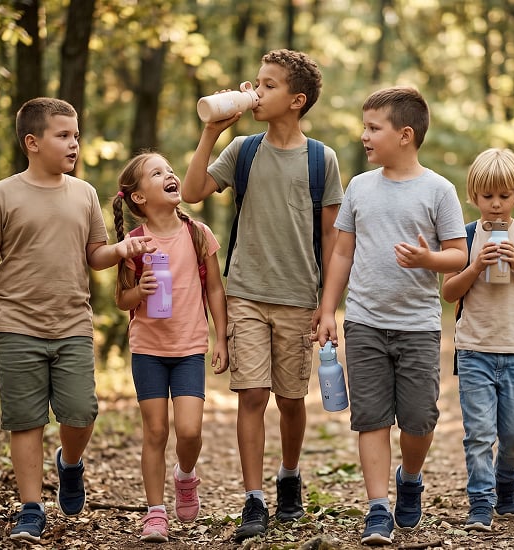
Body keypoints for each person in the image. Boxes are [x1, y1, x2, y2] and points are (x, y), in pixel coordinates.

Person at [0, 97, 155, 543]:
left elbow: (96, 255)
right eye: (63, 136)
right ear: (32, 142)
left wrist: (122, 250)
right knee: (25, 420)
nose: (74, 144)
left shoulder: (83, 194)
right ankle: (31, 508)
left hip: (72, 325)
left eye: (77, 136)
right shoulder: (3, 194)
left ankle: (69, 464)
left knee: (81, 411)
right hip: (16, 325)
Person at [181, 49, 344, 542]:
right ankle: (254, 498)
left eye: (267, 85)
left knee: (291, 400)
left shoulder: (322, 160)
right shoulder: (243, 150)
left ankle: (289, 476)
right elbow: (191, 192)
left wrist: (327, 305)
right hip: (246, 294)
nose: (256, 91)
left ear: (296, 101)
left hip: (298, 297)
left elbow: (333, 238)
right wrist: (212, 131)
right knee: (251, 395)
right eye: (256, 82)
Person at [314, 86, 468, 545]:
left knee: (419, 421)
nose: (364, 136)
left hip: (418, 326)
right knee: (371, 418)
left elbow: (459, 255)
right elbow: (342, 251)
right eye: (364, 126)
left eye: (372, 127)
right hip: (364, 322)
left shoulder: (438, 190)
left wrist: (429, 261)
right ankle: (378, 507)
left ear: (405, 135)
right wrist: (328, 310)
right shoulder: (360, 187)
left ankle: (410, 477)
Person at [112, 151, 228, 542]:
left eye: (170, 170)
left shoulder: (198, 234)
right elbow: (122, 300)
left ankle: (185, 475)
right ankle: (155, 512)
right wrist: (139, 291)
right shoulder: (134, 243)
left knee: (190, 431)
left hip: (190, 346)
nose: (170, 175)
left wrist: (221, 337)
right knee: (156, 430)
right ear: (139, 197)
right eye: (157, 173)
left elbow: (214, 288)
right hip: (148, 348)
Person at [441, 148, 514, 531]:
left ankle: (506, 484)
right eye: (487, 196)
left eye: (504, 197)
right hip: (475, 350)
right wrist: (475, 266)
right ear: (473, 197)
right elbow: (450, 292)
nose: (495, 205)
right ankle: (480, 503)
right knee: (479, 434)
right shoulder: (466, 236)